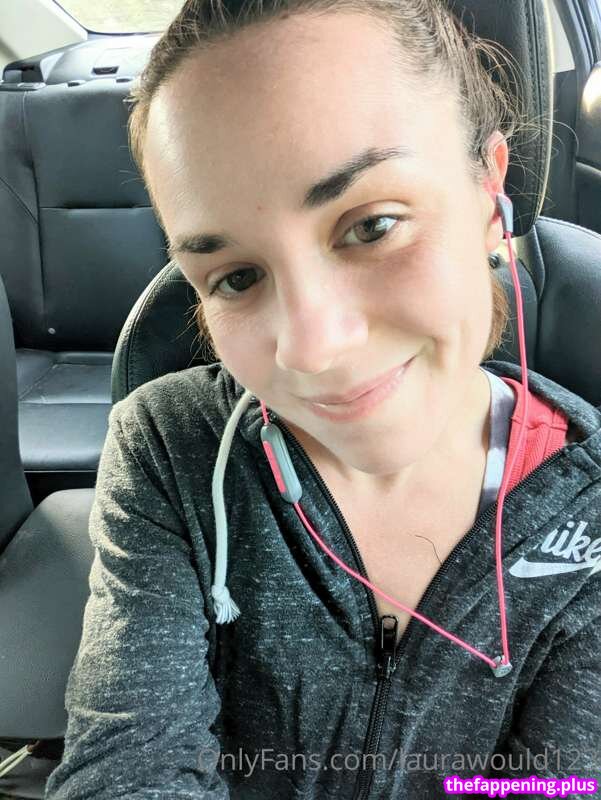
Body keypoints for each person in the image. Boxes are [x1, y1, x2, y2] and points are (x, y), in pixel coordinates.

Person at [44, 1, 601, 798]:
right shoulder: (170, 448)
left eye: (371, 225)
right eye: (237, 277)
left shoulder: (589, 509)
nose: (310, 349)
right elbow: (129, 765)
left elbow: (556, 784)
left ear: (489, 192)